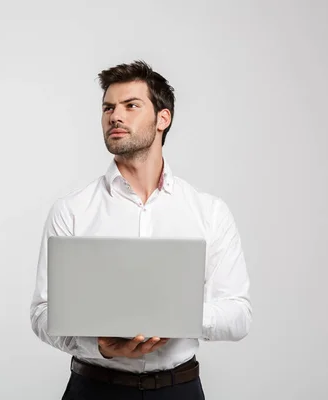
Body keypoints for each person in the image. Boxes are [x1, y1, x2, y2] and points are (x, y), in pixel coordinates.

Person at [29, 60, 252, 399]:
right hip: (93, 388)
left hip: (178, 390)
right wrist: (100, 345)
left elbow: (238, 314)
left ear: (163, 119)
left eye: (131, 105)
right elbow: (43, 313)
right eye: (108, 107)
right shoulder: (72, 210)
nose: (114, 116)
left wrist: (175, 315)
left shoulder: (209, 212)